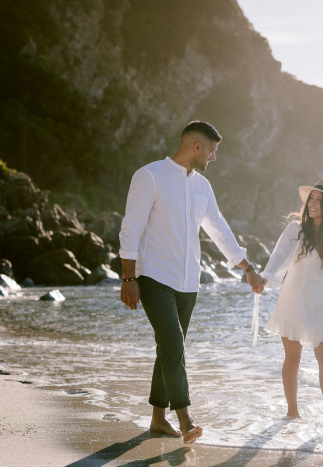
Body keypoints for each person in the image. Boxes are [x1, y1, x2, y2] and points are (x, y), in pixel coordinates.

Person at [119, 120, 265, 444]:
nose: (214, 157)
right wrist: (128, 277)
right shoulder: (150, 175)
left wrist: (247, 268)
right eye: (212, 151)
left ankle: (158, 418)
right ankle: (185, 418)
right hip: (154, 276)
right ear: (197, 146)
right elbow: (131, 228)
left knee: (168, 347)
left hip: (188, 282)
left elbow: (219, 230)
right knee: (173, 344)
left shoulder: (202, 187)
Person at [260, 178, 323, 428]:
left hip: (319, 304)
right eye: (312, 198)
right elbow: (277, 257)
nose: (313, 203)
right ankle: (292, 412)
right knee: (293, 358)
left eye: (319, 200)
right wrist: (264, 279)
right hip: (292, 301)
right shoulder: (295, 230)